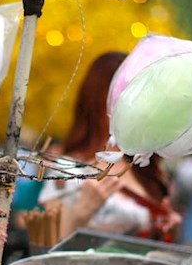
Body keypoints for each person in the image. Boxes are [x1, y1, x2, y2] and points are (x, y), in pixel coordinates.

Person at [38, 52, 182, 241]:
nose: (133, 106)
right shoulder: (68, 169)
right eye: (123, 94)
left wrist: (165, 223)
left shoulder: (144, 165)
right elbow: (50, 244)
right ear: (98, 99)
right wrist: (82, 211)